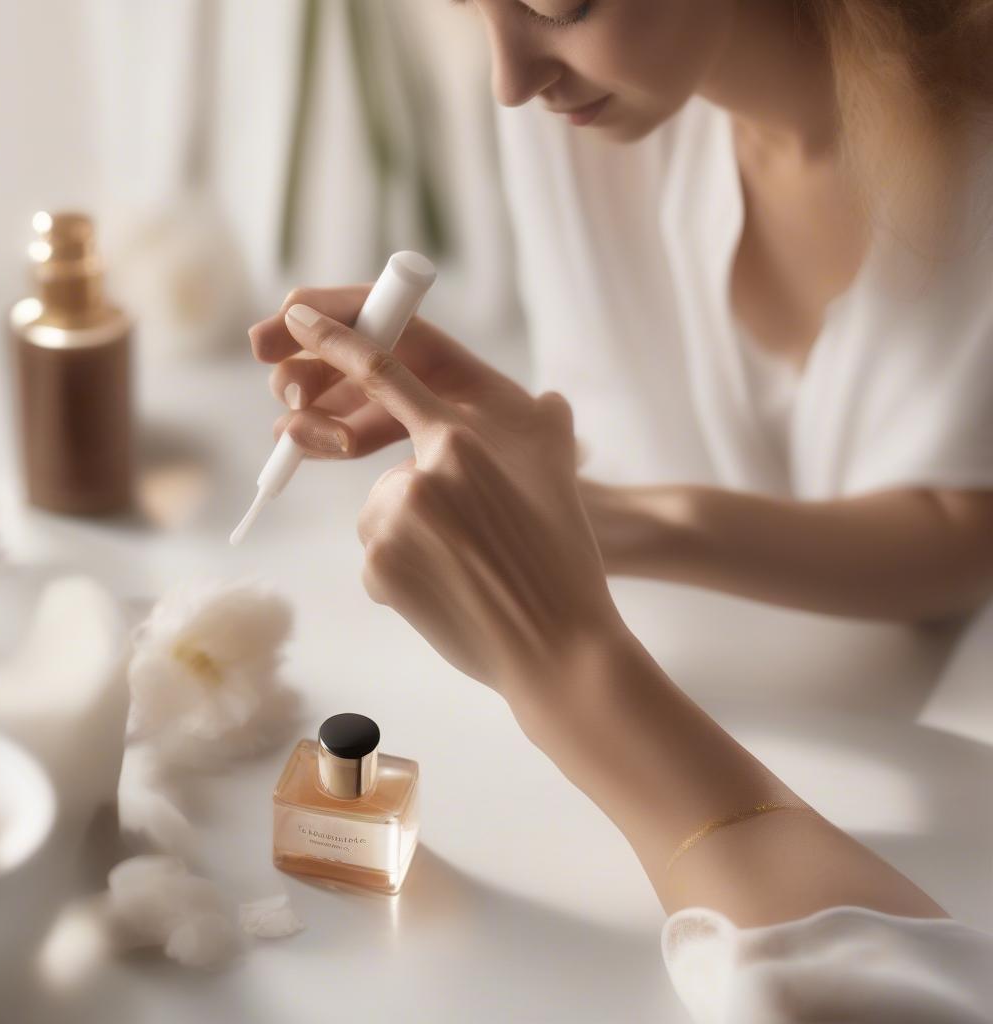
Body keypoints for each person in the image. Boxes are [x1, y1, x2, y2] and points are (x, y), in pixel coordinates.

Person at [248, 2, 993, 1019]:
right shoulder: (580, 119)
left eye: (557, 3)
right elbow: (605, 407)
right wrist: (568, 505)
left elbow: (967, 531)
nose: (509, 79)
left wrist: (568, 620)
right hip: (714, 722)